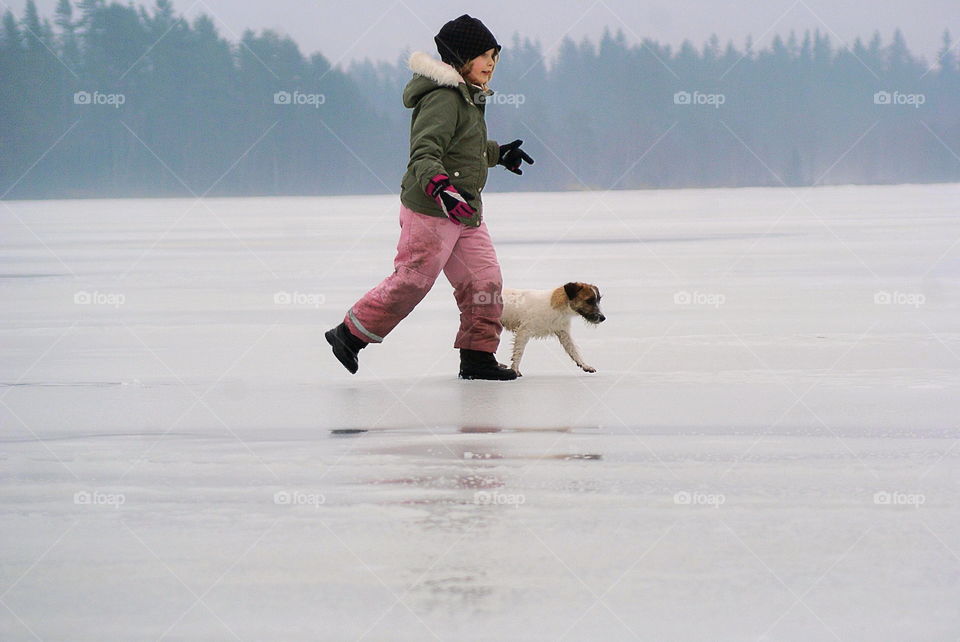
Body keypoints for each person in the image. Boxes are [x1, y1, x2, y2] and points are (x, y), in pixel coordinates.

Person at [325, 14, 534, 380]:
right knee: (413, 280)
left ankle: (478, 358)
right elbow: (425, 153)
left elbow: (462, 150)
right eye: (483, 56)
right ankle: (349, 333)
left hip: (465, 210)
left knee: (485, 283)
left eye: (494, 57)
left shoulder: (468, 98)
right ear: (460, 59)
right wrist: (441, 188)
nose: (491, 64)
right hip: (430, 209)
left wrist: (497, 154)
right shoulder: (442, 98)